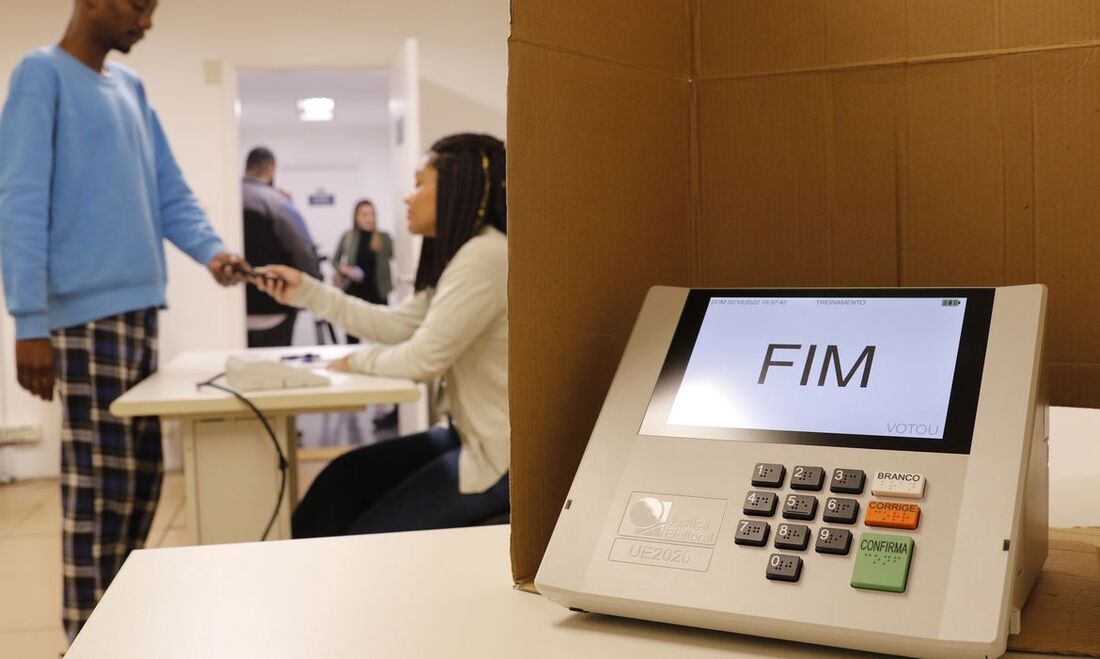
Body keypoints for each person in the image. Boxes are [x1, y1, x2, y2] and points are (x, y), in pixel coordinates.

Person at [0, 0, 245, 642]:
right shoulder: (40, 75)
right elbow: (20, 200)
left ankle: (122, 626)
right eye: (138, 4)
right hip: (81, 321)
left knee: (139, 483)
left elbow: (167, 188)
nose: (148, 19)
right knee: (97, 489)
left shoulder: (131, 88)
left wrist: (213, 251)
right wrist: (28, 322)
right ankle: (86, 638)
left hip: (138, 312)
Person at [253, 133, 509, 536]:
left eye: (420, 183)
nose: (409, 197)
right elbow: (398, 326)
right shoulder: (466, 255)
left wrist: (355, 359)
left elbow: (423, 360)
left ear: (459, 187)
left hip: (497, 459)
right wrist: (307, 290)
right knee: (340, 481)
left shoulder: (484, 256)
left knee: (365, 537)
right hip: (465, 437)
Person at [241, 146, 322, 347]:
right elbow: (302, 249)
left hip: (235, 309)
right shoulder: (277, 202)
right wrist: (315, 288)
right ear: (270, 169)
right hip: (274, 305)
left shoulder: (228, 199)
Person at [332, 199, 394, 342]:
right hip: (354, 293)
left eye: (372, 214)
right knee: (353, 336)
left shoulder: (383, 237)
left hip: (378, 293)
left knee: (382, 336)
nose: (369, 218)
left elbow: (397, 256)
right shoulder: (349, 236)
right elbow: (335, 261)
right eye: (364, 214)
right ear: (356, 217)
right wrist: (346, 270)